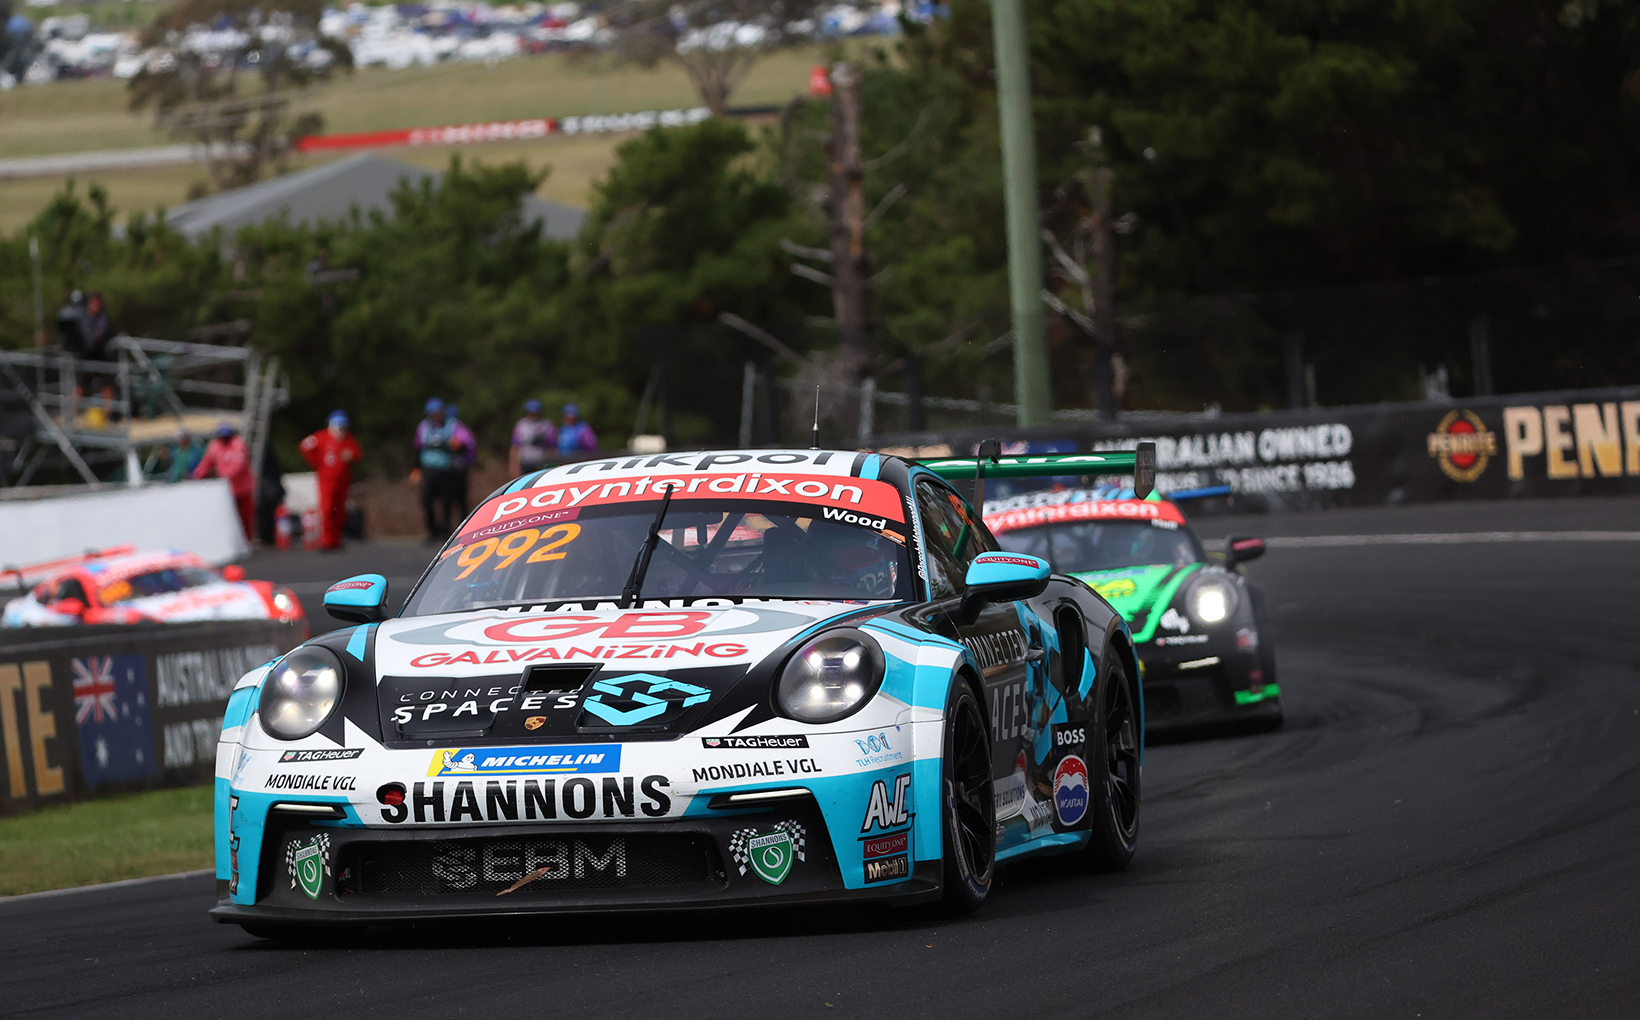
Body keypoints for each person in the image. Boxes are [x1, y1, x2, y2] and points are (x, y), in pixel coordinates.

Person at [299, 410, 361, 551]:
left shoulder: (347, 439)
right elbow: (305, 446)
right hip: (326, 479)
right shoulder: (321, 436)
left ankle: (335, 539)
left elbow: (357, 453)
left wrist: (350, 455)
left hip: (342, 480)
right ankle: (326, 539)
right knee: (327, 509)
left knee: (339, 510)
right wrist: (316, 463)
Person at [414, 397, 465, 542]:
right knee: (427, 501)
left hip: (446, 468)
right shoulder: (423, 427)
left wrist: (452, 444)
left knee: (447, 500)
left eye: (438, 412)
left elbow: (461, 443)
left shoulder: (452, 425)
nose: (436, 416)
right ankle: (432, 530)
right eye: (433, 413)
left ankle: (446, 530)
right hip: (428, 468)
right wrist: (416, 469)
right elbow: (417, 448)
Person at [194, 422, 255, 542]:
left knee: (246, 517)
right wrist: (197, 475)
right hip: (226, 491)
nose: (225, 439)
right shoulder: (215, 446)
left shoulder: (238, 444)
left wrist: (225, 476)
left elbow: (239, 464)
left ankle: (248, 542)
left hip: (243, 488)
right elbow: (206, 463)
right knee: (230, 519)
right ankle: (235, 542)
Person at [510, 398, 557, 475]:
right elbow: (515, 447)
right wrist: (514, 466)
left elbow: (552, 448)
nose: (534, 415)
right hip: (525, 462)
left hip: (541, 462)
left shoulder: (547, 426)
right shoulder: (521, 425)